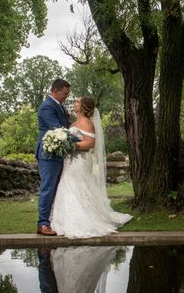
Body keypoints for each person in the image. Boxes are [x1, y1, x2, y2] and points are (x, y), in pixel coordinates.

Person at [50, 96, 132, 238]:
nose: (74, 104)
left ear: (83, 107)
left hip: (80, 161)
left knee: (76, 186)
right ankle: (64, 219)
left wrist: (70, 145)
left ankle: (83, 220)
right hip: (71, 161)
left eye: (77, 102)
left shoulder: (86, 122)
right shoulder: (76, 121)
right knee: (70, 185)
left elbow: (90, 143)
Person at [36, 79, 72, 236]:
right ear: (56, 91)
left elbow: (67, 127)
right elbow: (59, 130)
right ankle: (42, 224)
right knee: (48, 188)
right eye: (65, 93)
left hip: (57, 154)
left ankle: (52, 221)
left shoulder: (60, 107)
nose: (66, 96)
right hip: (48, 154)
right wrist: (83, 142)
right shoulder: (47, 107)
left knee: (56, 189)